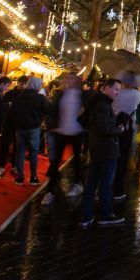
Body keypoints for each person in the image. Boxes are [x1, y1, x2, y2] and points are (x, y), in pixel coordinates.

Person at [79, 79, 126, 227]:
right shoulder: (103, 105)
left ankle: (86, 215)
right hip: (107, 150)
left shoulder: (95, 103)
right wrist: (120, 129)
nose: (117, 93)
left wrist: (115, 120)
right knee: (106, 184)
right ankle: (105, 214)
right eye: (115, 89)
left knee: (92, 183)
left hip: (97, 148)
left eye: (119, 90)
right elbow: (105, 129)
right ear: (105, 88)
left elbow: (99, 124)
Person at [43, 73, 87, 204]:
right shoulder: (60, 94)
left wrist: (83, 116)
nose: (69, 80)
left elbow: (88, 108)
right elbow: (53, 111)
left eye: (72, 78)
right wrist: (53, 125)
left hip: (77, 130)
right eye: (68, 77)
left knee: (76, 160)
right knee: (55, 161)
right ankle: (50, 191)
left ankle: (78, 184)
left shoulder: (82, 95)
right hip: (61, 130)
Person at [11, 76, 49, 186]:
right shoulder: (40, 98)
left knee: (20, 152)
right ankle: (33, 177)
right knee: (33, 153)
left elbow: (12, 113)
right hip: (33, 128)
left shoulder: (18, 97)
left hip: (19, 129)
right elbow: (48, 110)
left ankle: (20, 177)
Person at [111, 80, 140, 202]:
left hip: (113, 126)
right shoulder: (138, 94)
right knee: (122, 158)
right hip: (128, 128)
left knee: (111, 157)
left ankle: (107, 186)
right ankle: (118, 189)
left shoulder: (117, 91)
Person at [0, 75, 28, 178]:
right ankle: (1, 166)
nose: (22, 85)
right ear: (18, 83)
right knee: (5, 144)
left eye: (24, 84)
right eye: (21, 83)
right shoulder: (9, 94)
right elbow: (1, 107)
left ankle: (15, 166)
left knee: (19, 146)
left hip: (20, 124)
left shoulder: (27, 95)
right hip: (9, 122)